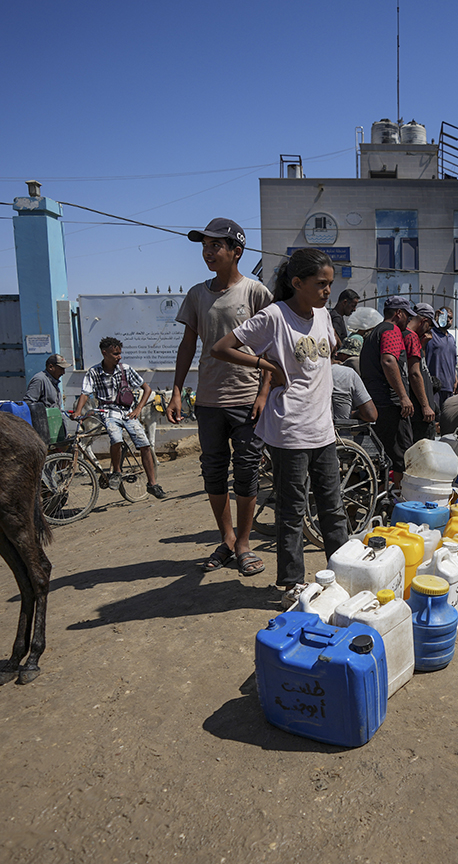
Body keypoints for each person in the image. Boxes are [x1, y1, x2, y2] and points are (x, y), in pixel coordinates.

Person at [210, 248, 347, 597]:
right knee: (292, 511)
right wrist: (266, 366)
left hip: (323, 429)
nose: (327, 291)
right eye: (321, 284)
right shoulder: (274, 316)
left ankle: (344, 575)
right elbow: (222, 347)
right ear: (297, 282)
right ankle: (290, 582)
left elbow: (330, 350)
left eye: (330, 284)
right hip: (290, 430)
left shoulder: (323, 315)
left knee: (333, 508)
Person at [168, 218, 270, 575]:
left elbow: (272, 348)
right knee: (212, 473)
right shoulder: (197, 294)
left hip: (246, 398)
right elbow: (187, 345)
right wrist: (178, 390)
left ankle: (244, 543)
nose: (208, 252)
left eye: (216, 246)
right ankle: (226, 539)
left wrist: (264, 391)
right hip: (209, 400)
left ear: (236, 252)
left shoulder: (255, 293)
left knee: (245, 473)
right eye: (204, 246)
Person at [73, 337, 166, 500]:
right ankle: (116, 471)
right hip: (107, 411)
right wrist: (78, 412)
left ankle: (152, 484)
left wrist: (138, 409)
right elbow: (85, 393)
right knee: (116, 439)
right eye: (115, 354)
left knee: (144, 444)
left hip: (127, 412)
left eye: (120, 353)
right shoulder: (94, 372)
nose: (119, 357)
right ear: (104, 353)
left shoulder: (126, 369)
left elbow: (147, 389)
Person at [358, 296, 415, 477]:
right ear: (398, 313)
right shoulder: (391, 330)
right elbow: (389, 361)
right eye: (407, 315)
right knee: (402, 457)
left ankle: (384, 494)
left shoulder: (372, 334)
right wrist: (403, 396)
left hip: (376, 401)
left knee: (383, 455)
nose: (409, 320)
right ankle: (399, 498)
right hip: (390, 404)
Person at [406, 303, 438, 442]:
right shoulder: (410, 337)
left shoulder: (413, 338)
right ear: (424, 321)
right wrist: (425, 406)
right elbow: (414, 373)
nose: (429, 330)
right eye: (429, 325)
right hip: (420, 412)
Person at [331, 343, 377, 424]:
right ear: (335, 350)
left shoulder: (303, 374)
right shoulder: (347, 373)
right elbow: (371, 415)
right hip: (341, 434)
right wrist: (352, 414)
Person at [425, 304, 458, 409]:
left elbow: (453, 362)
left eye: (450, 318)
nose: (448, 320)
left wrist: (455, 379)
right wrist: (434, 322)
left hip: (448, 387)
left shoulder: (452, 338)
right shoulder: (431, 334)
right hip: (434, 386)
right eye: (445, 317)